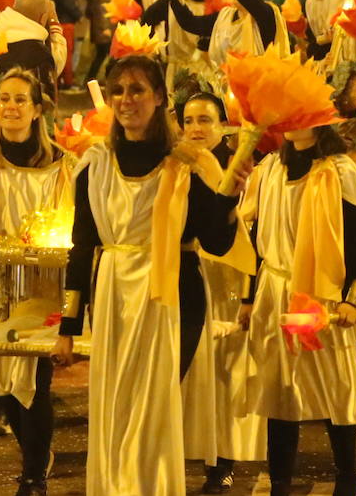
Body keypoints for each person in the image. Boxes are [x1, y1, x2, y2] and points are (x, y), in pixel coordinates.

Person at [52, 55, 241, 495]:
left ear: (159, 98)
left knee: (153, 409)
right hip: (114, 297)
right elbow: (81, 249)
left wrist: (229, 196)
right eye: (118, 90)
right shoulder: (96, 166)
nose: (125, 100)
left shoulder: (187, 163)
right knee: (118, 409)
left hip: (174, 297)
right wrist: (67, 324)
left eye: (137, 90)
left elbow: (214, 242)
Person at [240, 119, 356, 496]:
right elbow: (255, 232)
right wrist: (250, 296)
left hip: (320, 290)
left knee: (334, 383)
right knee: (279, 387)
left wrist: (351, 297)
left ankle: (348, 479)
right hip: (275, 289)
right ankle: (280, 482)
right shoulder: (270, 168)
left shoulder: (339, 171)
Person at [0, 69, 71, 495]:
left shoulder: (61, 166)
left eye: (20, 99)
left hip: (38, 285)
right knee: (1, 385)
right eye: (4, 99)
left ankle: (32, 475)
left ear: (37, 109)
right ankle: (37, 455)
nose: (10, 107)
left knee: (33, 384)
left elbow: (66, 224)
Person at [177, 93, 264, 494]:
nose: (196, 128)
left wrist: (247, 296)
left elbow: (249, 234)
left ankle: (223, 462)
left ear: (222, 125)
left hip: (226, 281)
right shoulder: (174, 165)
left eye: (205, 120)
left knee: (226, 377)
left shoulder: (237, 170)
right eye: (189, 120)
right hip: (186, 278)